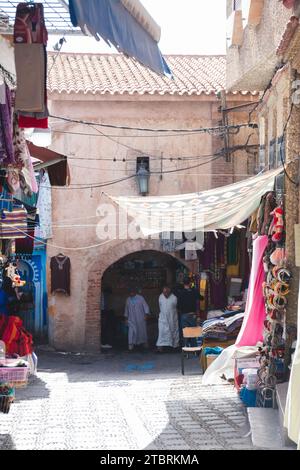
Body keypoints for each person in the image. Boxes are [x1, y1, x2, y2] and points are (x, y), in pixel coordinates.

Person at [176, 277, 202, 346]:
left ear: (183, 283)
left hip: (184, 315)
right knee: (193, 333)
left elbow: (178, 306)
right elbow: (201, 298)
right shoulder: (194, 291)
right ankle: (195, 350)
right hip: (193, 315)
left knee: (185, 333)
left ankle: (186, 349)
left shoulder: (180, 293)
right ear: (190, 283)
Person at [156, 286, 179, 353]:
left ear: (169, 292)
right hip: (162, 319)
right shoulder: (160, 297)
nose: (165, 294)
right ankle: (160, 348)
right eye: (164, 292)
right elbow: (160, 306)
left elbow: (175, 307)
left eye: (166, 292)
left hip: (172, 319)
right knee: (161, 333)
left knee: (173, 332)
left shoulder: (174, 298)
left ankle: (174, 346)